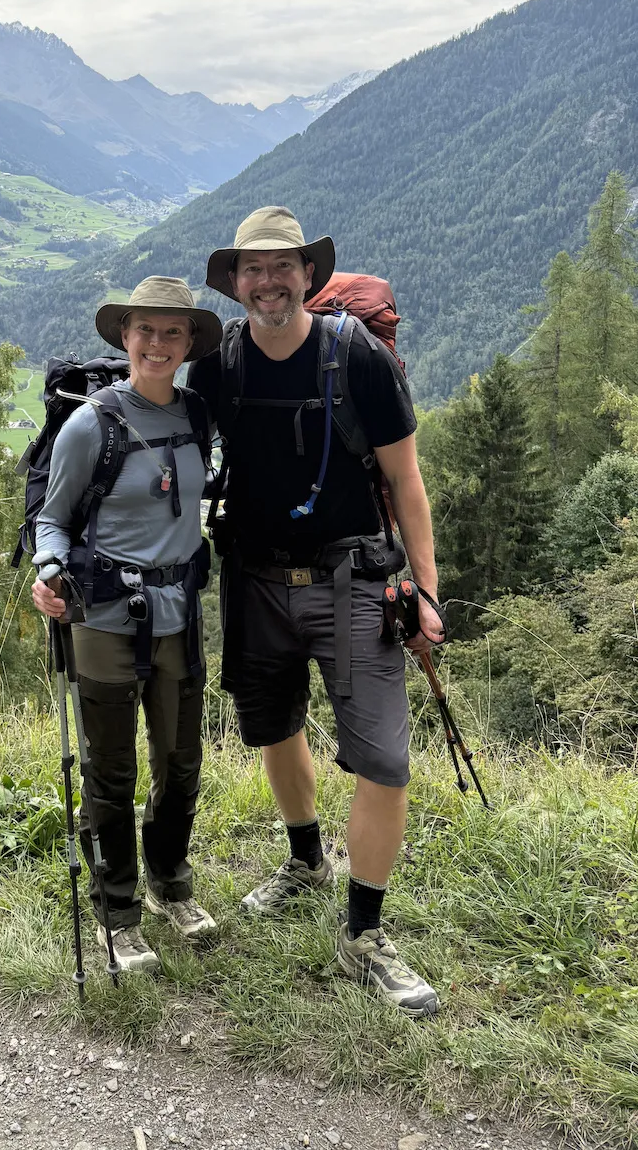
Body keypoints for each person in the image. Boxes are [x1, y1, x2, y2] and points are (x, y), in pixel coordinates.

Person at [188, 207, 446, 1018]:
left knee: (382, 760)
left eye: (281, 267)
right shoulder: (220, 363)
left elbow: (406, 482)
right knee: (273, 726)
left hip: (352, 579)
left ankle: (363, 932)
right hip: (253, 578)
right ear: (233, 283)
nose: (266, 282)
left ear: (307, 274)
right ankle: (306, 863)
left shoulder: (356, 356)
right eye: (251, 270)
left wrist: (427, 591)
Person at [32, 276, 222, 973]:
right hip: (106, 618)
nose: (157, 343)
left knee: (180, 763)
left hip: (178, 615)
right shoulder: (92, 424)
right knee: (110, 771)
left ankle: (171, 882)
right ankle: (117, 912)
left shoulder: (197, 416)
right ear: (124, 336)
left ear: (188, 344)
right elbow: (51, 519)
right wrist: (48, 571)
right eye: (144, 329)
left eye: (172, 333)